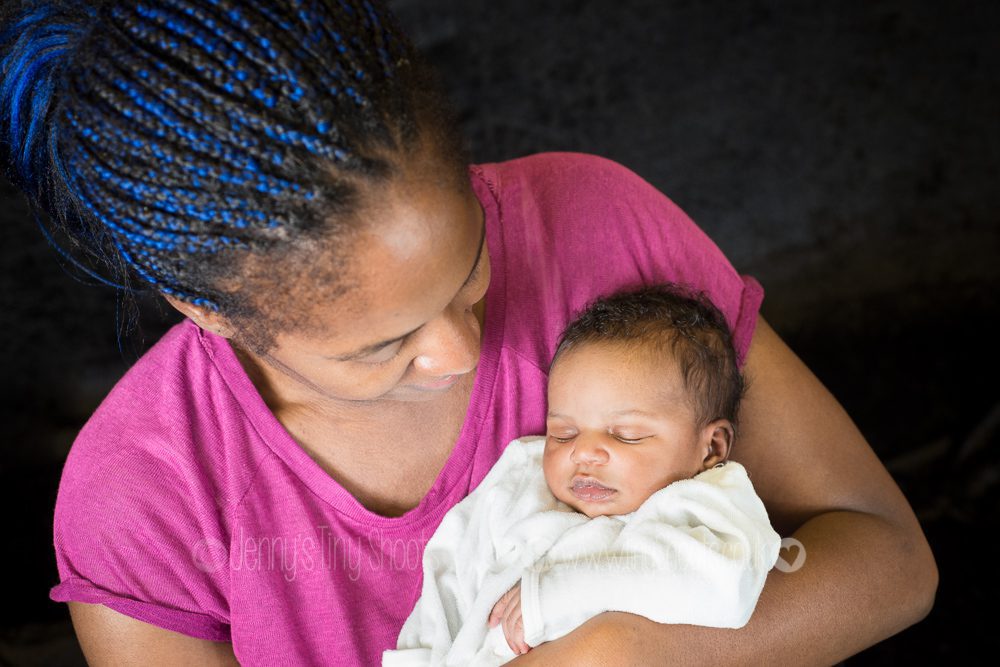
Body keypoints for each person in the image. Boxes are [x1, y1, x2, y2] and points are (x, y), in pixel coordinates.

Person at [0, 1, 936, 665]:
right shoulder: (139, 496)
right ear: (203, 306)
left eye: (471, 268)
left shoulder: (594, 226)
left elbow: (888, 559)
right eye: (379, 345)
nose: (459, 352)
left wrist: (622, 650)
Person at [382, 286, 783, 666]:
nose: (583, 452)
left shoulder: (708, 504)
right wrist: (419, 656)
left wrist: (555, 595)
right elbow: (451, 569)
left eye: (626, 435)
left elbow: (725, 586)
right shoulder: (523, 480)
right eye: (564, 433)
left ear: (710, 447)